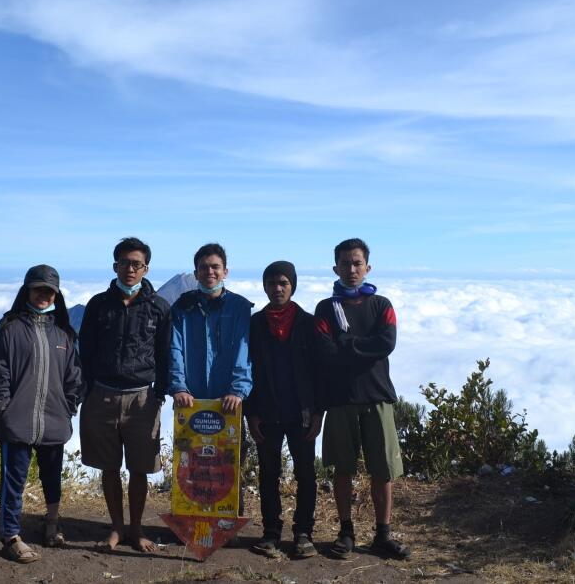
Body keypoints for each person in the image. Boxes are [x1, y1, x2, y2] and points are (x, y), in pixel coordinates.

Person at [314, 238, 410, 560]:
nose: (351, 269)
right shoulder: (327, 309)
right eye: (345, 264)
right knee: (343, 470)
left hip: (377, 397)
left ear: (368, 267)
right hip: (341, 400)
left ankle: (382, 535)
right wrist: (360, 347)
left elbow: (387, 342)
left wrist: (346, 345)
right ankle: (346, 533)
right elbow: (325, 352)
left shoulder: (382, 305)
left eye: (357, 263)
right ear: (335, 268)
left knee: (382, 471)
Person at [0, 264, 83, 564]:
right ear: (27, 290)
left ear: (56, 295)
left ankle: (52, 523)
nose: (43, 294)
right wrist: (2, 409)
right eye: (38, 288)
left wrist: (69, 406)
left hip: (54, 419)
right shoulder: (10, 328)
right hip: (17, 421)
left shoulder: (63, 333)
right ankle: (11, 535)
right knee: (15, 479)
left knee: (52, 477)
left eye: (49, 290)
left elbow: (74, 375)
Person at [78, 237, 171, 553]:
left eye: (137, 264)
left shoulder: (158, 307)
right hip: (102, 395)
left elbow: (165, 352)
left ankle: (136, 528)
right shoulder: (98, 304)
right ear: (115, 265)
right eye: (124, 263)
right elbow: (85, 350)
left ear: (146, 268)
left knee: (140, 468)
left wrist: (159, 394)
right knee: (108, 466)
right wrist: (87, 391)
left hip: (142, 398)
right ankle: (116, 528)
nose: (130, 269)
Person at [168, 242, 253, 515]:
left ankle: (229, 520)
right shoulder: (183, 307)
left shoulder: (239, 307)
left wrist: (238, 391)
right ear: (196, 272)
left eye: (215, 267)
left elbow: (244, 350)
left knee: (228, 462)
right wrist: (179, 386)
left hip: (227, 401)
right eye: (204, 267)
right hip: (192, 399)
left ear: (225, 271)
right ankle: (191, 521)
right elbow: (175, 348)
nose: (210, 272)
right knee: (191, 462)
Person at [244, 261, 321, 560]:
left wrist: (318, 413)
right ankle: (271, 533)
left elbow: (319, 373)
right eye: (272, 283)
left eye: (283, 283)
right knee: (268, 475)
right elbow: (246, 370)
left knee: (306, 475)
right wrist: (251, 412)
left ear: (293, 286)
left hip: (301, 413)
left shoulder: (308, 323)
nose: (277, 288)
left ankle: (303, 533)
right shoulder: (255, 324)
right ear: (264, 287)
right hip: (266, 412)